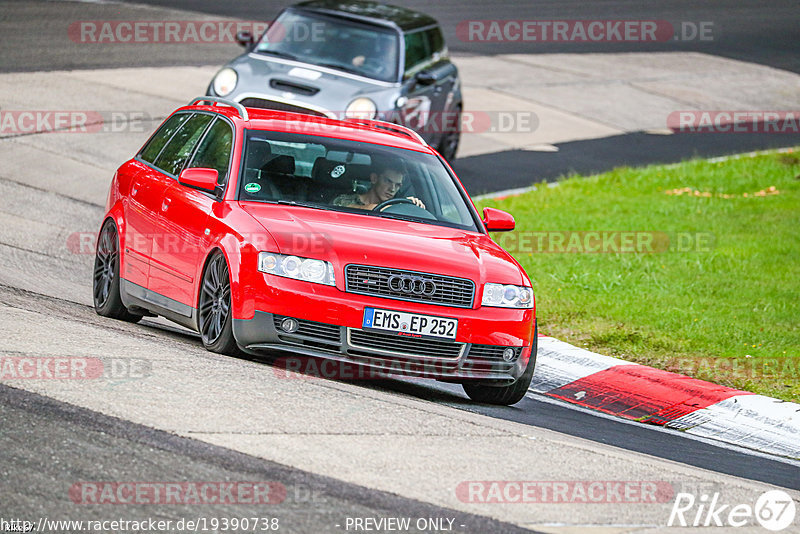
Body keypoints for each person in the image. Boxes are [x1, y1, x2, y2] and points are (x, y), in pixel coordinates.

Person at [333, 162, 425, 210]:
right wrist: (391, 208)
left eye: (397, 185)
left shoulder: (395, 209)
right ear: (374, 178)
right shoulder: (345, 200)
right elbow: (344, 207)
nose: (392, 189)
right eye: (388, 181)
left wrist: (413, 207)